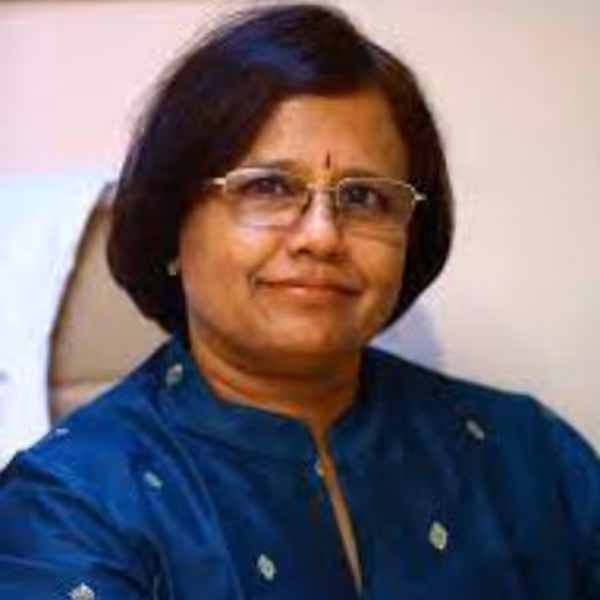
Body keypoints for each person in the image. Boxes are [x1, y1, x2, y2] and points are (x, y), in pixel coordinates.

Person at [0, 4, 598, 599]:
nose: (322, 236)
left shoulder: (530, 456)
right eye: (268, 187)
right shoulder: (70, 506)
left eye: (363, 197)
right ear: (172, 224)